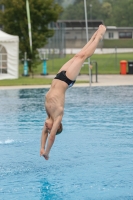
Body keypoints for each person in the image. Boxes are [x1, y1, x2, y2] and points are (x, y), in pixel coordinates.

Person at [40, 24, 106, 160]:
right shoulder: (57, 117)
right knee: (82, 57)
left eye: (47, 128)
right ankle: (99, 35)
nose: (46, 127)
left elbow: (45, 134)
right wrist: (47, 152)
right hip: (67, 80)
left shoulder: (48, 118)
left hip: (58, 77)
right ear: (56, 128)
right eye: (49, 128)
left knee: (78, 54)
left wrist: (41, 147)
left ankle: (95, 34)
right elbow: (51, 136)